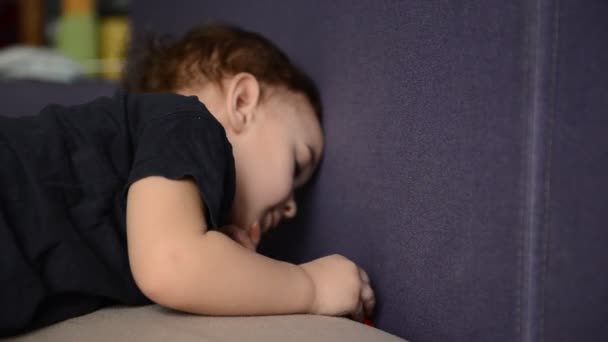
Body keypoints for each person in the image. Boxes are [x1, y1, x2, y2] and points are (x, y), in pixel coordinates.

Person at [0, 24, 375, 337]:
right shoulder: (190, 122)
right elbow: (172, 264)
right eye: (297, 164)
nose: (292, 206)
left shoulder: (144, 181)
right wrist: (310, 287)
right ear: (242, 104)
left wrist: (216, 249)